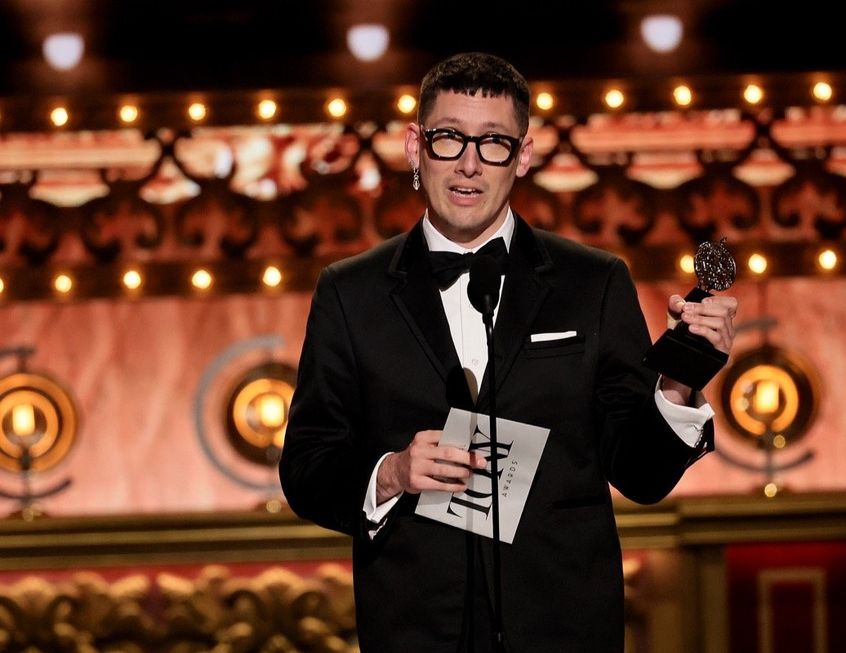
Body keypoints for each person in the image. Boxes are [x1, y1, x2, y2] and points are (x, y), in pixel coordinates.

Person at [279, 52, 737, 653]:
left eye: (493, 142)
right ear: (416, 146)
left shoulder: (592, 283)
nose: (469, 165)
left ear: (522, 155)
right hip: (415, 631)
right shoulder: (350, 292)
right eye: (449, 139)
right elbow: (307, 468)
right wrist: (391, 472)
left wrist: (679, 384)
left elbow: (640, 474)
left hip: (563, 630)